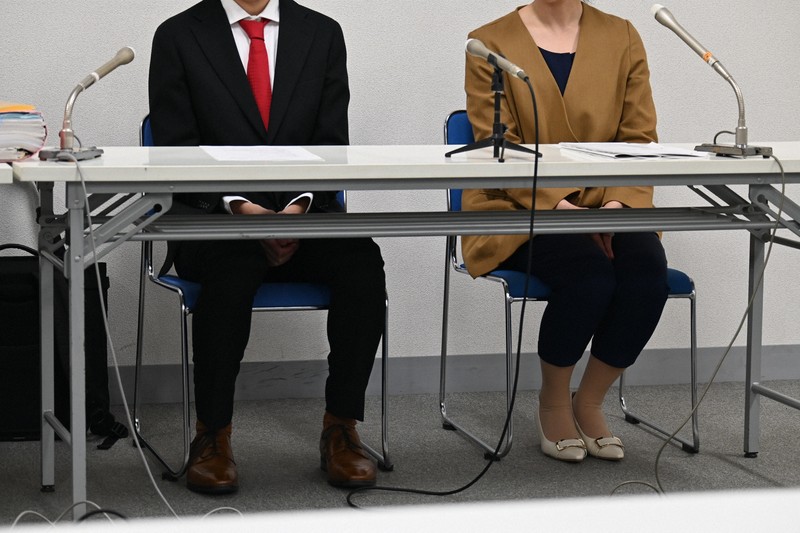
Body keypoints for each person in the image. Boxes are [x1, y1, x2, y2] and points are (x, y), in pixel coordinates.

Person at [149, 0, 386, 493]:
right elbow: (175, 148)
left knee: (362, 262)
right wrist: (241, 209)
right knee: (232, 268)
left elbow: (331, 143)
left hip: (305, 215)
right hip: (215, 221)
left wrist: (298, 209)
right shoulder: (177, 35)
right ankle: (212, 435)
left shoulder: (322, 33)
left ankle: (341, 427)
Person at [463, 0, 668, 462]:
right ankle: (554, 401)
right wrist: (563, 208)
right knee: (589, 277)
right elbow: (498, 147)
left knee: (647, 274)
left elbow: (639, 138)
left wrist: (614, 207)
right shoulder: (489, 42)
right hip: (519, 206)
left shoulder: (622, 35)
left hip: (610, 201)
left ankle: (589, 400)